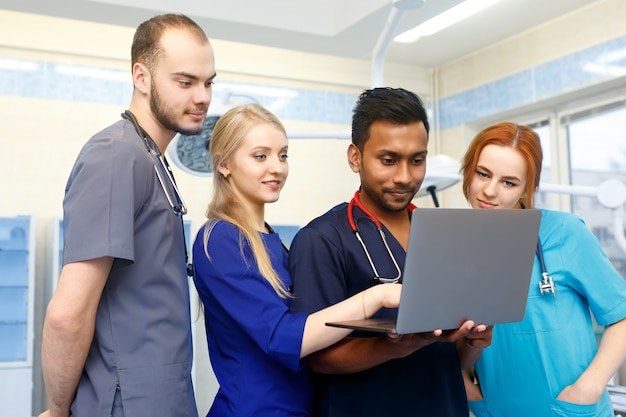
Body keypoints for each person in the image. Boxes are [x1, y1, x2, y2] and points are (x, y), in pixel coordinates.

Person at [40, 14, 216, 417]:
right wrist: (56, 409)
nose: (203, 96)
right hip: (127, 400)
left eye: (209, 82)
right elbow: (68, 315)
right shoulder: (117, 156)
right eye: (185, 82)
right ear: (141, 76)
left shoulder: (149, 157)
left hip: (161, 395)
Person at [288, 87, 493, 417]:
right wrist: (394, 347)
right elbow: (317, 358)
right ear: (355, 157)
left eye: (417, 160)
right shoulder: (322, 239)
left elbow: (446, 356)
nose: (404, 177)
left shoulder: (444, 235)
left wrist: (471, 343)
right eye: (388, 160)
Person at [192, 103, 403, 417]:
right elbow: (282, 337)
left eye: (283, 154)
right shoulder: (221, 239)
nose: (277, 167)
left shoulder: (271, 240)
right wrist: (377, 296)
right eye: (260, 156)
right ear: (224, 164)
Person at [460, 121, 626, 416]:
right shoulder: (453, 244)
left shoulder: (564, 233)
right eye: (482, 174)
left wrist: (589, 387)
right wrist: (462, 384)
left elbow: (622, 316)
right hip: (496, 409)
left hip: (570, 409)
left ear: (527, 188)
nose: (489, 191)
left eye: (508, 182)